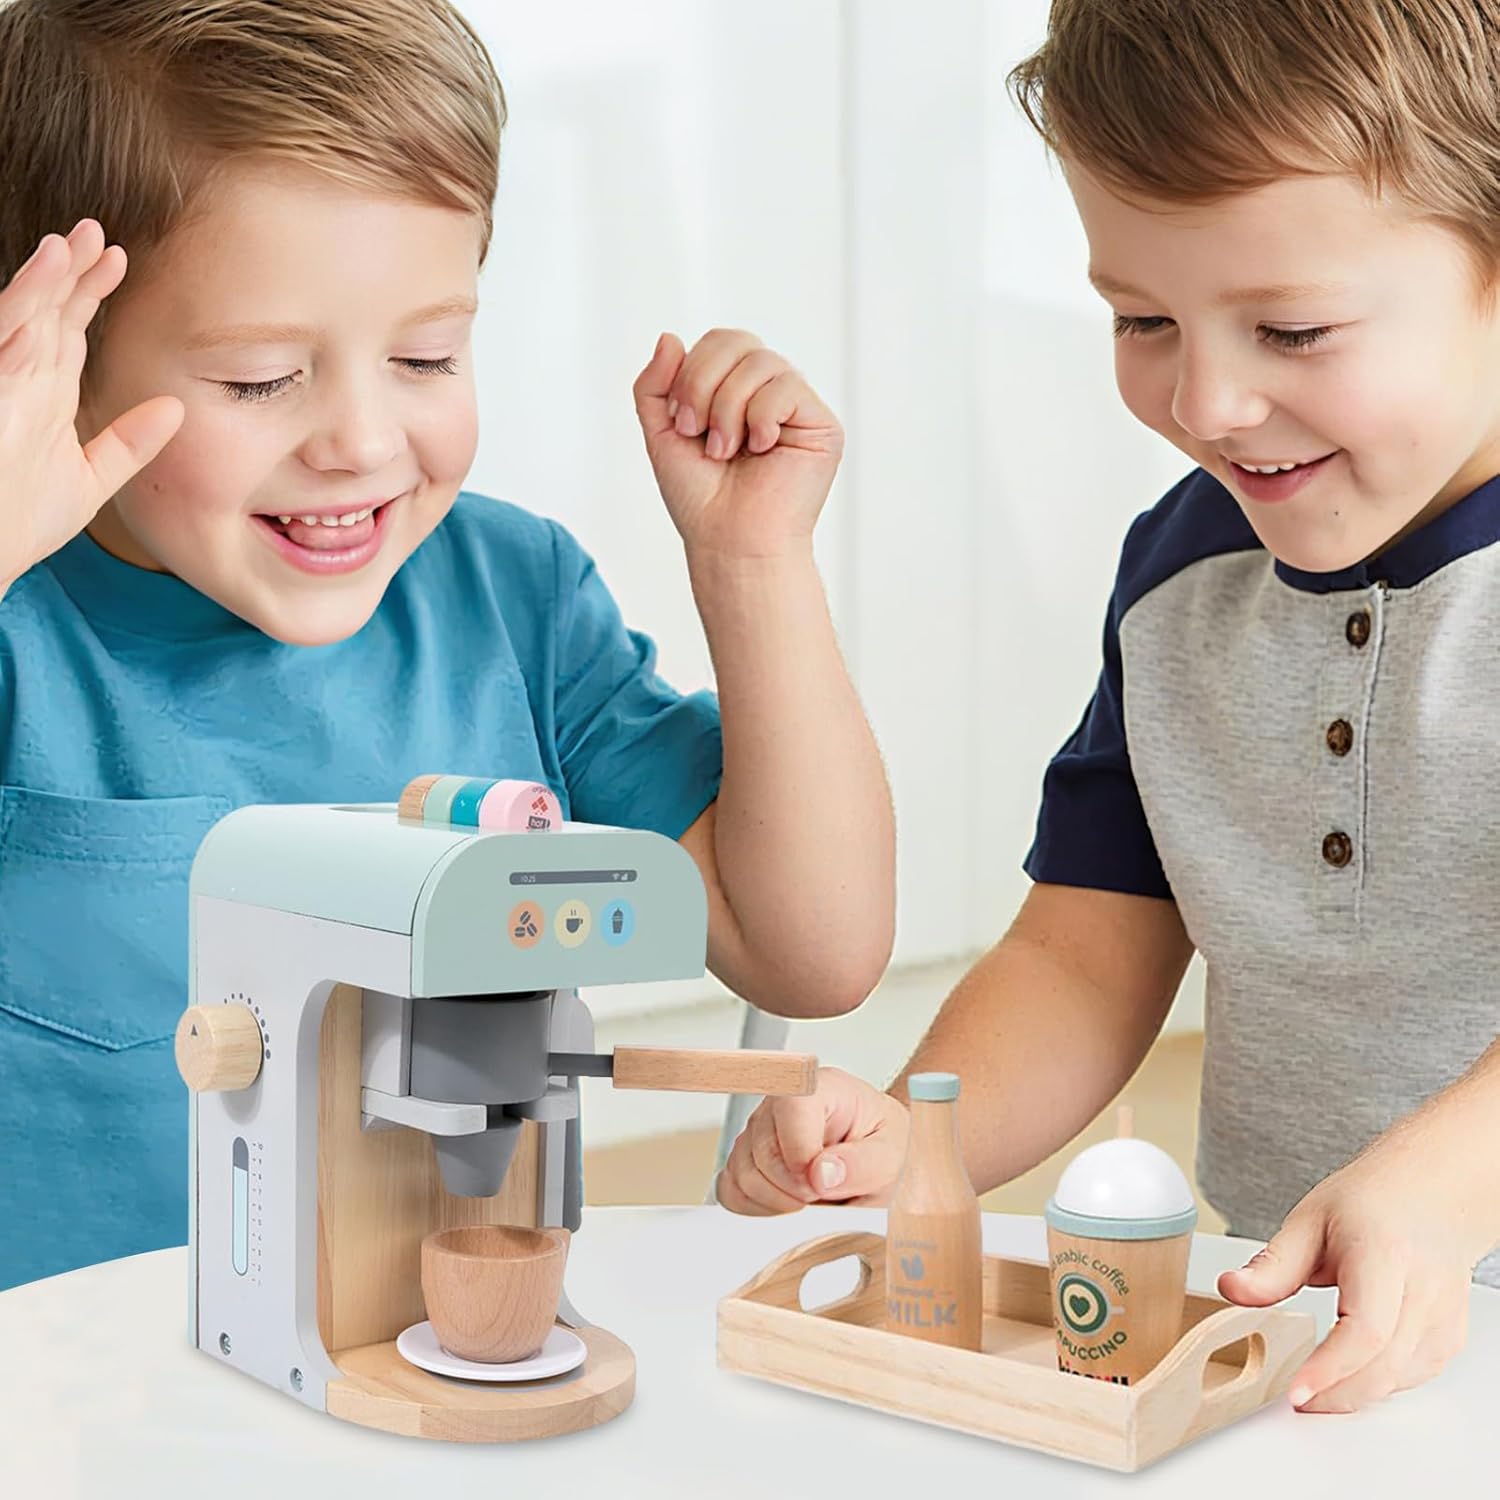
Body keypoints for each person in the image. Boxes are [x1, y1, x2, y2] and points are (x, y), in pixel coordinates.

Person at [0, 0, 895, 1291]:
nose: (363, 441)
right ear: (52, 352)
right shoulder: (23, 621)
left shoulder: (515, 599)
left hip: (451, 1359)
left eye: (426, 357)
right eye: (260, 378)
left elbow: (813, 950)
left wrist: (753, 565)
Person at [718, 0, 1500, 1415]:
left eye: (1293, 328)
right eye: (1143, 319)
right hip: (1297, 1336)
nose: (1207, 402)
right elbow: (1083, 956)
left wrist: (1447, 1190)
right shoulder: (1186, 573)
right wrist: (918, 1142)